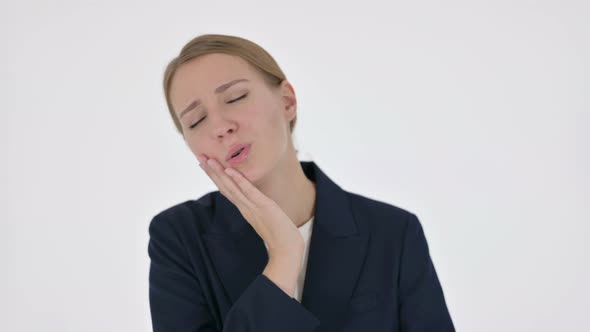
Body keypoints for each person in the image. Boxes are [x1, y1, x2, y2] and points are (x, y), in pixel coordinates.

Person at [147, 33, 455, 332]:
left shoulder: (394, 234)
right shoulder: (178, 238)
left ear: (287, 101)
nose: (220, 127)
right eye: (196, 120)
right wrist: (284, 256)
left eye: (236, 97)